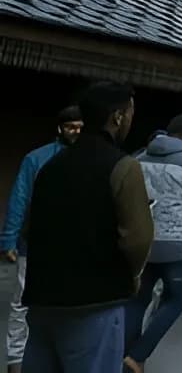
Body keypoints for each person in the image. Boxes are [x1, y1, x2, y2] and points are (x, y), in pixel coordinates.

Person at [22, 82, 153, 373]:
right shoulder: (123, 167)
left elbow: (29, 228)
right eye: (130, 113)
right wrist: (130, 277)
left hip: (43, 299)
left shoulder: (50, 166)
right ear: (117, 117)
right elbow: (137, 239)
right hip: (95, 302)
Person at [124, 115, 182, 372]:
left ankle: (126, 357)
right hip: (177, 244)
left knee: (137, 300)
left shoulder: (139, 158)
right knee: (175, 299)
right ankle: (138, 354)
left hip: (141, 240)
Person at [1, 106, 83, 373]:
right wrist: (8, 240)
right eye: (70, 126)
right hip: (35, 241)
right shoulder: (36, 158)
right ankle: (16, 360)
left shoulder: (90, 158)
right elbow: (19, 198)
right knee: (23, 303)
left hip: (76, 245)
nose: (76, 132)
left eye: (81, 127)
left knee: (69, 304)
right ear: (59, 128)